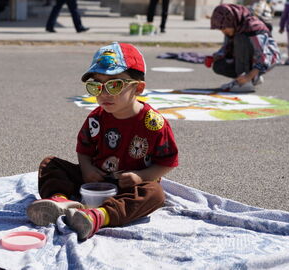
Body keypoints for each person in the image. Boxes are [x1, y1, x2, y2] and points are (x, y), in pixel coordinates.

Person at [26, 42, 179, 241]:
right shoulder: (96, 117)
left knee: (155, 194)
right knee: (50, 164)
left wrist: (141, 177)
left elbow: (167, 162)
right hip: (95, 179)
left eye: (114, 85)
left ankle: (99, 216)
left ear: (138, 88)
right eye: (96, 86)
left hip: (130, 187)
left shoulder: (153, 123)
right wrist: (87, 169)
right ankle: (60, 202)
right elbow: (84, 148)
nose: (103, 93)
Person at [210, 4, 280, 92]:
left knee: (240, 38)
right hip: (254, 60)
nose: (223, 31)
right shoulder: (235, 26)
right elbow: (225, 48)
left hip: (268, 58)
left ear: (231, 21)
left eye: (224, 28)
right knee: (219, 65)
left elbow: (263, 55)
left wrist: (249, 76)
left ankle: (247, 82)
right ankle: (250, 78)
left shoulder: (252, 28)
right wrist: (216, 56)